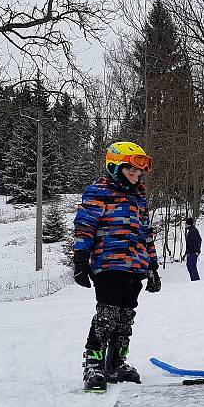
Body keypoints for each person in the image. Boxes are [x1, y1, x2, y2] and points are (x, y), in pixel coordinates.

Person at [73, 141, 162, 393]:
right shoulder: (98, 191)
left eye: (138, 172)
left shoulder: (138, 195)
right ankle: (93, 364)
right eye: (130, 171)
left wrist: (152, 266)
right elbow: (85, 226)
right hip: (108, 263)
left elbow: (146, 232)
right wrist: (80, 259)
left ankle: (116, 363)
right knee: (107, 314)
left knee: (125, 316)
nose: (135, 176)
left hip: (135, 266)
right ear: (114, 167)